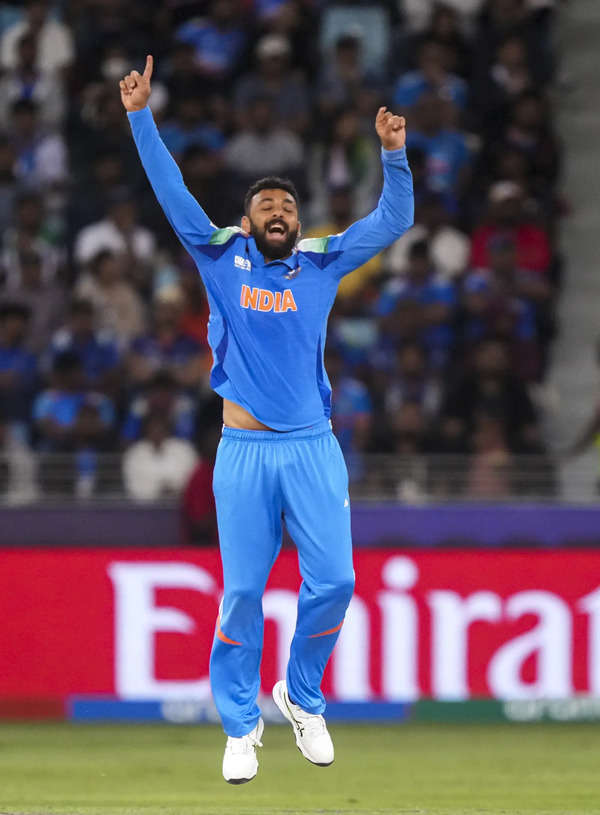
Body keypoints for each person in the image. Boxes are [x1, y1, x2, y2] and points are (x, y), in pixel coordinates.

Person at [120, 54, 413, 783]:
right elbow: (171, 191)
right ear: (246, 222)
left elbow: (395, 218)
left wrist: (394, 155)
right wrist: (139, 117)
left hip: (313, 447)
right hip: (244, 452)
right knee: (243, 592)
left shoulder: (320, 261)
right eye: (266, 207)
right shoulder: (220, 255)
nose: (279, 212)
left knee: (337, 579)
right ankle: (241, 724)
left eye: (287, 205)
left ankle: (302, 696)